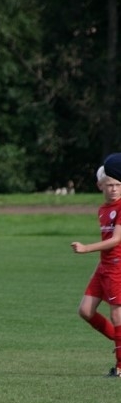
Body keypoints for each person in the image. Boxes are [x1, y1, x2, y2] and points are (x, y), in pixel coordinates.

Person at [71, 153, 121, 377]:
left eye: (118, 184)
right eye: (109, 185)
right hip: (104, 267)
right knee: (85, 310)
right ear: (100, 185)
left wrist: (86, 248)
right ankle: (119, 341)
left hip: (117, 267)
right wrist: (98, 267)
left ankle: (120, 367)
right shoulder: (102, 210)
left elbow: (116, 240)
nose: (114, 189)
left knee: (117, 316)